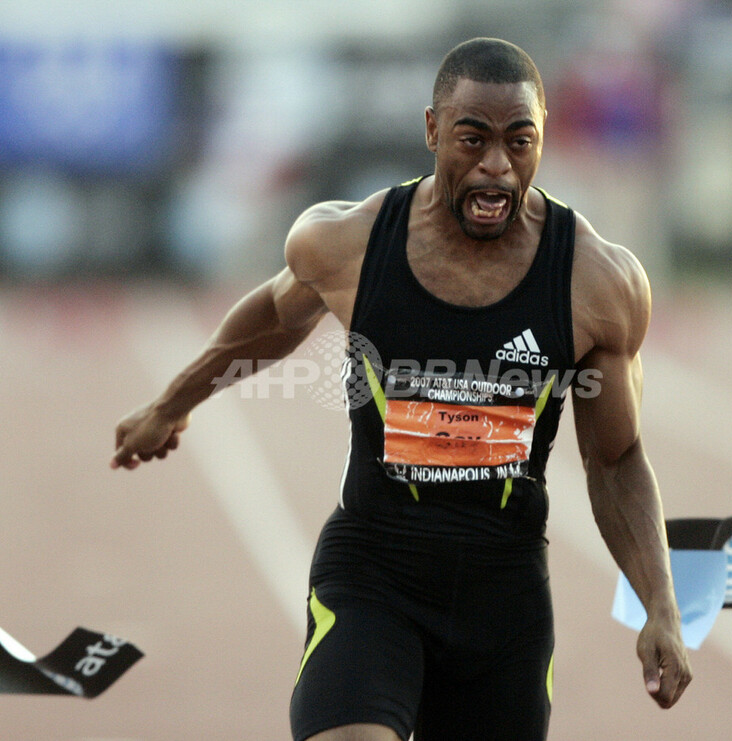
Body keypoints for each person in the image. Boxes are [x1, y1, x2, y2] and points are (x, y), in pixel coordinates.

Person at [111, 38, 691, 741]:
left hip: (503, 596)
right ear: (432, 130)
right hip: (373, 572)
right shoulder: (350, 243)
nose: (497, 166)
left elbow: (617, 459)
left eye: (520, 141)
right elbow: (273, 317)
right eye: (473, 139)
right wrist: (170, 404)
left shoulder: (596, 281)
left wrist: (661, 604)